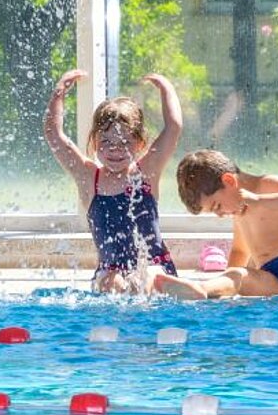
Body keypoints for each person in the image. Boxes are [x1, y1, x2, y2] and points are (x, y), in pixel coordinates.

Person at [44, 69, 181, 293]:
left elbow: (173, 128)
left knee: (146, 281)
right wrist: (58, 93)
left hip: (154, 266)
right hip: (109, 270)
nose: (114, 149)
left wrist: (166, 88)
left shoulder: (146, 172)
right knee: (112, 283)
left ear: (139, 143)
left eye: (124, 142)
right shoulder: (89, 178)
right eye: (106, 141)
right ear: (94, 141)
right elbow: (54, 135)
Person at [154, 149, 278, 299]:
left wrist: (260, 200)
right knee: (238, 275)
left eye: (217, 206)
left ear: (229, 180)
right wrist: (228, 281)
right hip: (272, 278)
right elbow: (240, 252)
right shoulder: (239, 215)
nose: (220, 214)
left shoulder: (268, 185)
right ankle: (200, 289)